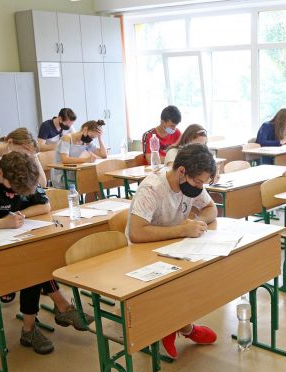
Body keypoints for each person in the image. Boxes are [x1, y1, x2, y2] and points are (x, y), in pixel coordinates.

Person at [0, 152, 93, 354]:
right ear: (1, 173)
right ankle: (55, 311)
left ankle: (35, 325)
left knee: (37, 257)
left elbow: (45, 205)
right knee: (32, 265)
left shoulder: (23, 174)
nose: (15, 194)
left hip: (14, 247)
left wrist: (19, 216)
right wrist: (1, 223)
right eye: (13, 190)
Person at [127, 144, 218, 358]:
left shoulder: (191, 182)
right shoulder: (152, 188)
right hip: (143, 252)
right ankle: (179, 327)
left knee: (197, 274)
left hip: (174, 245)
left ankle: (178, 325)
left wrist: (198, 222)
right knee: (174, 282)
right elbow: (136, 233)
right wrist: (182, 230)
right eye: (198, 182)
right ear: (182, 171)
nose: (200, 187)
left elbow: (211, 208)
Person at [51, 119, 108, 189]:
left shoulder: (86, 142)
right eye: (91, 136)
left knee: (96, 183)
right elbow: (65, 159)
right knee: (92, 183)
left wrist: (100, 138)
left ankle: (92, 196)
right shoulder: (67, 138)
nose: (91, 139)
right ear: (85, 129)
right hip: (62, 175)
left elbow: (103, 155)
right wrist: (86, 160)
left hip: (74, 172)